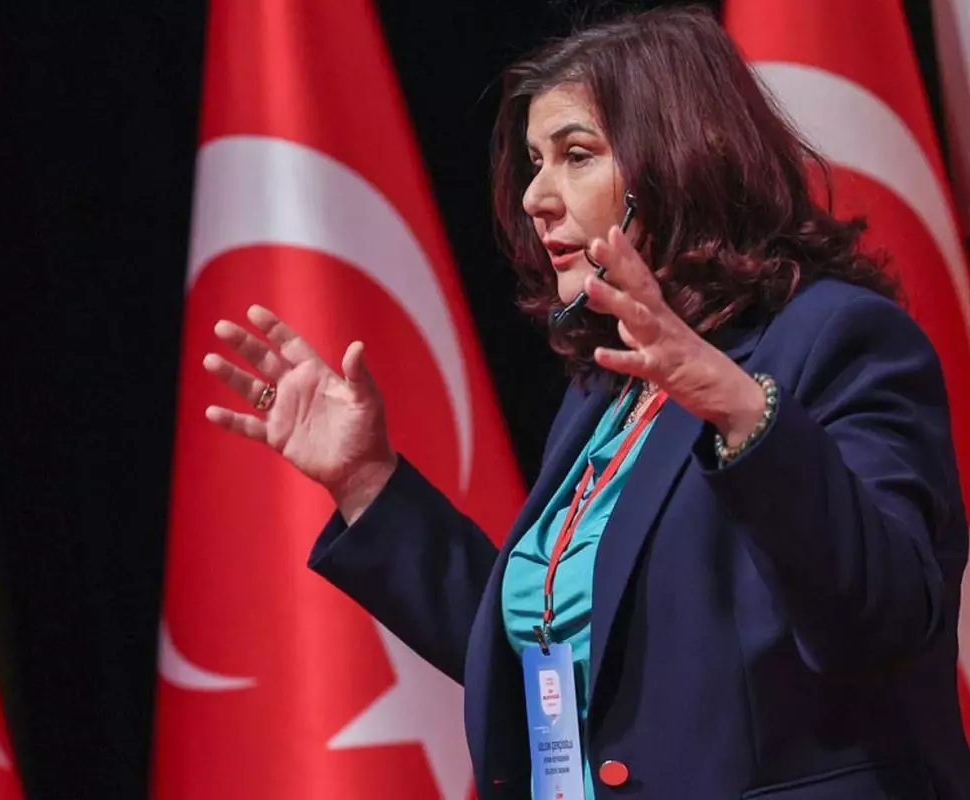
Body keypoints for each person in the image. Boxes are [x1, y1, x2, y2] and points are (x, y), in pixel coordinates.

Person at [199, 6, 970, 799]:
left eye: (576, 156)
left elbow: (884, 618)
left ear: (680, 158)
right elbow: (553, 654)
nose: (536, 195)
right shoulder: (606, 391)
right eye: (536, 162)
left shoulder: (838, 338)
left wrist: (745, 416)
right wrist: (366, 481)